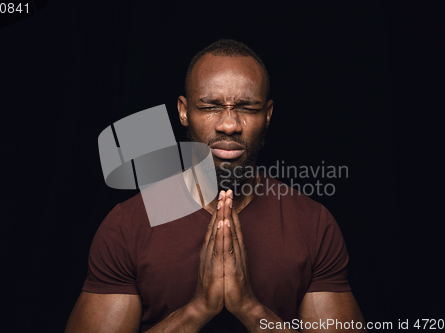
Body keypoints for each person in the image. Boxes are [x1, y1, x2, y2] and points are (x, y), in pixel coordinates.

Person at [65, 39, 366, 332]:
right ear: (184, 111)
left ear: (268, 114)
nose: (229, 124)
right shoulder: (128, 226)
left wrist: (249, 308)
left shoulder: (313, 225)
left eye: (247, 108)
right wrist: (199, 309)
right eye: (211, 106)